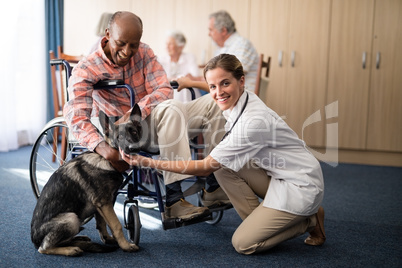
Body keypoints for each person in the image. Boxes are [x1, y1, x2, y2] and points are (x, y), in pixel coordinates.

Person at [120, 54, 326, 255]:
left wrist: (148, 162)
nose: (218, 92)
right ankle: (266, 223)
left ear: (241, 81)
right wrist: (192, 82)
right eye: (212, 86)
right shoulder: (242, 99)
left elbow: (204, 167)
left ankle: (309, 219)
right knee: (225, 166)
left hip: (300, 184)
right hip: (279, 173)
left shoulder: (252, 122)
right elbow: (219, 91)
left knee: (243, 244)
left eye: (225, 83)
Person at [63, 11, 228, 221]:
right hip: (131, 135)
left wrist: (135, 112)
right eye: (121, 43)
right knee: (170, 108)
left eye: (134, 45)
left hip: (161, 121)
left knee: (216, 100)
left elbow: (163, 89)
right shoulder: (87, 68)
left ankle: (213, 188)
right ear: (107, 34)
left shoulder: (144, 52)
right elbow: (76, 116)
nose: (127, 51)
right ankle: (174, 200)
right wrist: (105, 149)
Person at [176, 10, 259, 94]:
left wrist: (192, 82)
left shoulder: (242, 44)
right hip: (225, 92)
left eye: (211, 30)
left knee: (186, 94)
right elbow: (217, 77)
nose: (209, 34)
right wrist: (196, 79)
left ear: (223, 31)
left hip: (237, 95)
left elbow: (227, 76)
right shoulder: (222, 48)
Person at [158, 30, 204, 102]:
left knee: (183, 85)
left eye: (170, 44)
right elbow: (159, 78)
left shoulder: (190, 57)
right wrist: (178, 78)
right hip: (169, 95)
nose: (167, 47)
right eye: (166, 44)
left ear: (180, 47)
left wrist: (182, 78)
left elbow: (195, 77)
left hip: (189, 95)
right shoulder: (161, 60)